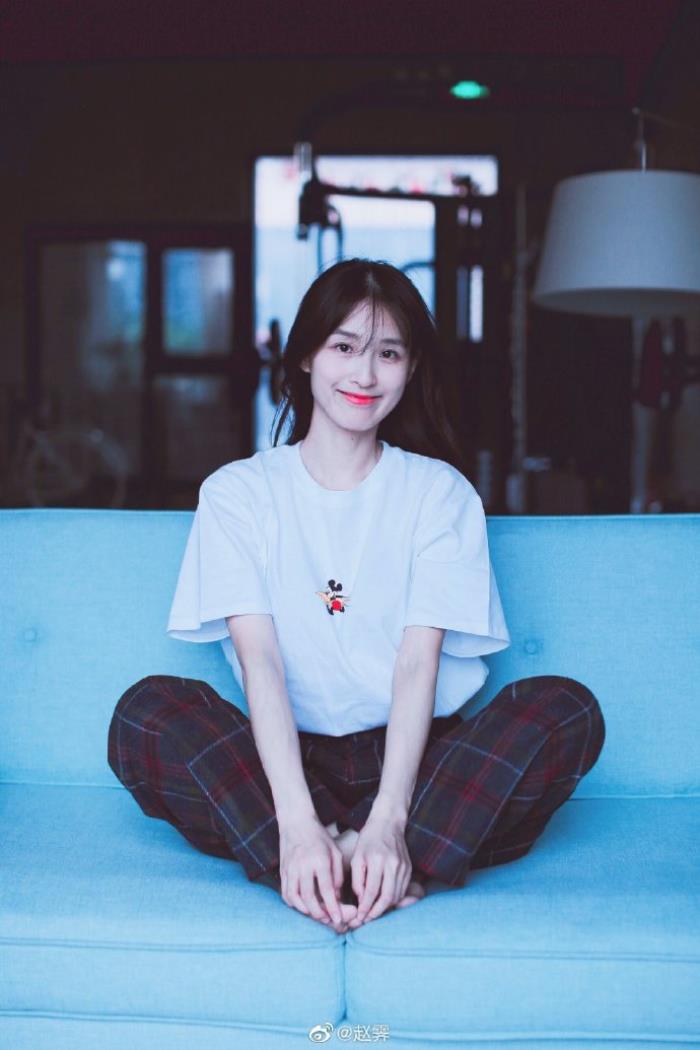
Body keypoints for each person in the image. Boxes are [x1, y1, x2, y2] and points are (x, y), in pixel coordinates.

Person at [107, 258, 606, 936]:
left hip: (419, 763)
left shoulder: (439, 494)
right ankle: (349, 859)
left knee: (565, 709)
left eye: (388, 354)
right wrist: (295, 820)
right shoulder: (237, 494)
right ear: (306, 355)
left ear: (411, 368)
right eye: (344, 347)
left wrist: (390, 818)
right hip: (282, 762)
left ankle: (357, 858)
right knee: (146, 713)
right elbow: (261, 663)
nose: (365, 375)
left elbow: (416, 664)